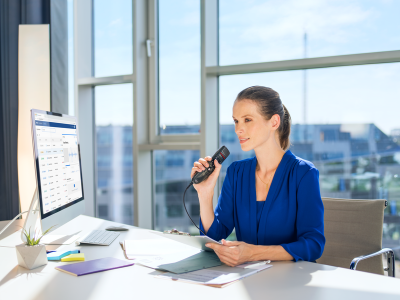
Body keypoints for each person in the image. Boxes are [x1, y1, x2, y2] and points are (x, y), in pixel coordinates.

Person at [191, 86, 325, 267]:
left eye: (247, 120)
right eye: (236, 121)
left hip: (291, 283)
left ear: (274, 122)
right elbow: (214, 239)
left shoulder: (303, 173)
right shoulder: (236, 172)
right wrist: (205, 194)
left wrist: (252, 253)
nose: (239, 129)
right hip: (247, 281)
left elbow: (313, 244)